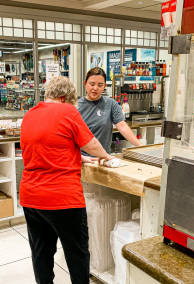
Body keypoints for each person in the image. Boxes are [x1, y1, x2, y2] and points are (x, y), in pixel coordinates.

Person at [20, 76, 115, 284]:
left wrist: (78, 157)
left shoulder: (30, 114)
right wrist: (107, 156)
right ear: (64, 98)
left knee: (41, 252)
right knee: (77, 253)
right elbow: (91, 144)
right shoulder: (68, 111)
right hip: (62, 198)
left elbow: (45, 147)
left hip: (31, 198)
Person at [79, 67, 143, 163]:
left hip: (104, 160)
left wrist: (141, 147)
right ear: (85, 83)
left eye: (100, 85)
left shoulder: (110, 104)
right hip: (83, 160)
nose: (95, 88)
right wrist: (79, 157)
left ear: (105, 86)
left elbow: (122, 126)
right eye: (92, 84)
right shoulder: (76, 106)